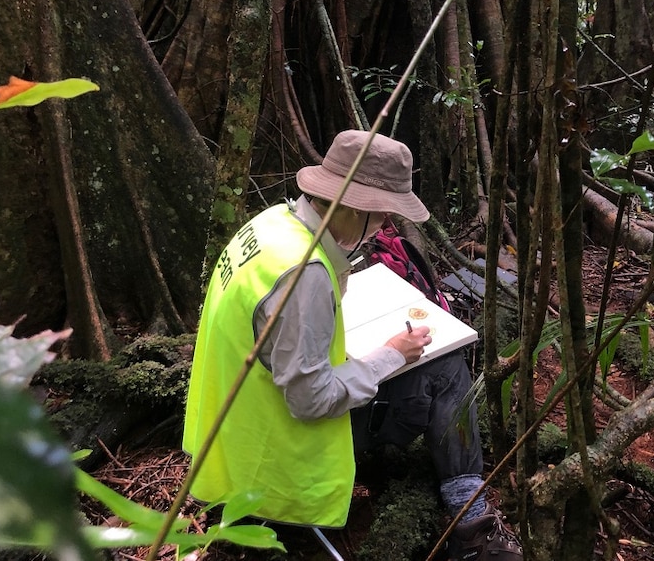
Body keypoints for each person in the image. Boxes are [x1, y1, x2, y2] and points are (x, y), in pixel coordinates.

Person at [182, 129, 522, 561]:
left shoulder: (270, 227)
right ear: (355, 205)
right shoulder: (304, 275)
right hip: (279, 463)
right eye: (381, 214)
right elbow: (310, 398)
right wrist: (391, 355)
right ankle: (470, 521)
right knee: (447, 368)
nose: (384, 226)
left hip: (228, 445)